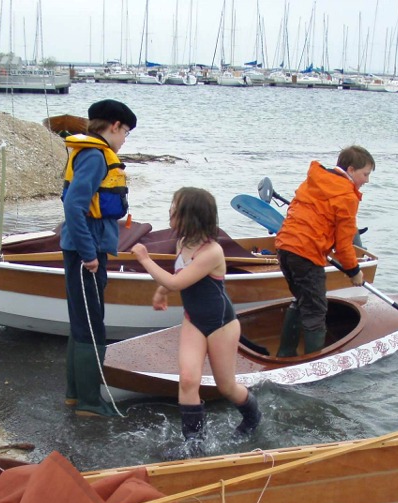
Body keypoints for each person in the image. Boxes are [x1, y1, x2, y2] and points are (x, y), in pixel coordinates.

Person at [131, 187, 261, 455]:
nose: (170, 210)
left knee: (226, 387)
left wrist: (145, 259)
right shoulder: (183, 243)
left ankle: (253, 416)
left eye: (175, 207)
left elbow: (176, 281)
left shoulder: (211, 251)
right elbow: (180, 273)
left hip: (221, 325)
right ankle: (194, 445)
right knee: (188, 380)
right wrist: (161, 291)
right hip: (193, 321)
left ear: (192, 216)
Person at [60, 99, 136, 417]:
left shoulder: (90, 154)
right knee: (92, 326)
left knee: (82, 323)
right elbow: (74, 206)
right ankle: (91, 402)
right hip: (85, 253)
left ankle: (76, 395)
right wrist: (90, 255)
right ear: (114, 126)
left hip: (82, 248)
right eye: (126, 134)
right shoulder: (95, 157)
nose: (124, 141)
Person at [274, 145, 374, 357]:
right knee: (316, 310)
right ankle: (314, 364)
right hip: (306, 254)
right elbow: (344, 245)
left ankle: (285, 354)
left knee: (302, 300)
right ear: (351, 169)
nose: (367, 180)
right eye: (365, 174)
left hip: (284, 247)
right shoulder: (347, 196)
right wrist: (354, 271)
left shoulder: (314, 180)